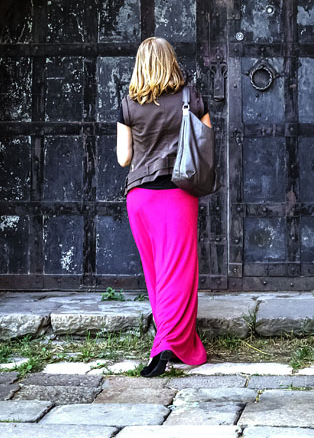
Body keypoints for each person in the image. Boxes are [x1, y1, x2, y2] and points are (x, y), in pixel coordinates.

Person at [116, 36, 209, 377]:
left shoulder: (129, 105)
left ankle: (170, 339)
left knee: (157, 273)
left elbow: (123, 158)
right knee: (179, 272)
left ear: (140, 64)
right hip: (178, 195)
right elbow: (205, 141)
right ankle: (168, 344)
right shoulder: (190, 97)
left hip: (141, 198)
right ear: (172, 61)